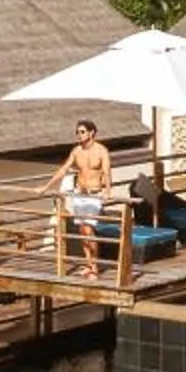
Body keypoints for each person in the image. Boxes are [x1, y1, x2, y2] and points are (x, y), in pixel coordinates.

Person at [53, 119, 114, 280]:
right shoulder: (76, 151)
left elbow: (107, 172)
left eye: (82, 132)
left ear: (91, 132)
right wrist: (46, 187)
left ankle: (94, 267)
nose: (79, 135)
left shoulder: (102, 151)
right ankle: (89, 264)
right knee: (82, 230)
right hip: (80, 193)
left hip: (94, 194)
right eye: (77, 132)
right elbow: (63, 169)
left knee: (88, 229)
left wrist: (108, 191)